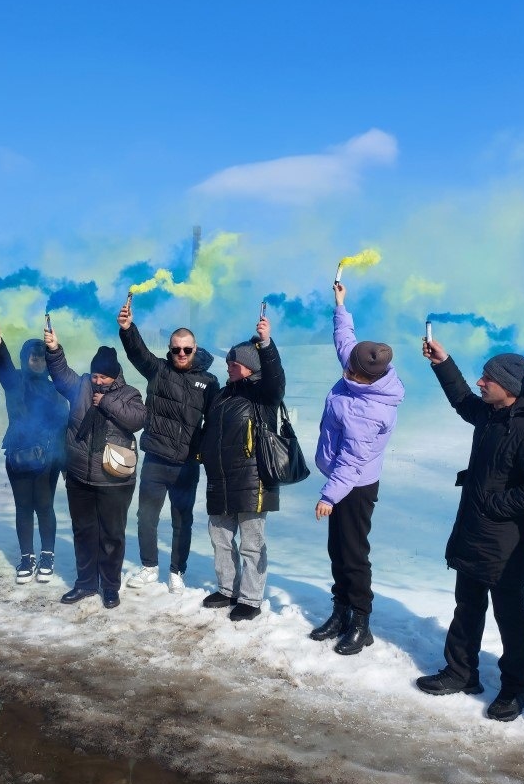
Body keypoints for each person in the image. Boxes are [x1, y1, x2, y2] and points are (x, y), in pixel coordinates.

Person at [415, 338, 524, 722]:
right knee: (467, 605)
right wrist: (443, 362)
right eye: (481, 376)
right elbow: (462, 399)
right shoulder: (491, 415)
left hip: (506, 540)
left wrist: (495, 505)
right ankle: (461, 673)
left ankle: (516, 688)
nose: (481, 383)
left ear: (509, 387)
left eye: (487, 379)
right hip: (473, 531)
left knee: (510, 614)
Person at [309, 280, 403, 654]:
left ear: (371, 378)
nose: (345, 374)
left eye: (353, 374)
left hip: (355, 485)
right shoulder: (359, 367)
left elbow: (352, 460)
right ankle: (340, 611)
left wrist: (329, 496)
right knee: (338, 550)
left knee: (353, 554)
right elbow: (344, 339)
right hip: (340, 477)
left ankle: (361, 623)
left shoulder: (372, 410)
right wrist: (340, 304)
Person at [117, 299, 219, 594]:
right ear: (170, 349)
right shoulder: (159, 371)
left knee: (181, 520)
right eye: (176, 349)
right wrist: (127, 329)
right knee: (146, 517)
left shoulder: (209, 382)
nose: (181, 354)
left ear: (195, 349)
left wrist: (202, 454)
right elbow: (137, 353)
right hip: (156, 461)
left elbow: (214, 423)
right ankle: (149, 567)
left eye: (187, 349)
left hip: (186, 465)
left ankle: (177, 572)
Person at [44, 327, 145, 609]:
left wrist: (107, 402)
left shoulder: (129, 394)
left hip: (115, 479)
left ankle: (110, 586)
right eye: (96, 375)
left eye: (104, 376)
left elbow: (137, 420)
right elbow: (60, 373)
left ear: (115, 376)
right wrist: (54, 349)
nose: (98, 381)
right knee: (84, 531)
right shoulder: (81, 386)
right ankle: (86, 582)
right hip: (79, 476)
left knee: (112, 535)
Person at [198, 316, 287, 622]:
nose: (228, 366)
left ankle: (250, 597)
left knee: (251, 542)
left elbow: (276, 378)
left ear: (250, 366)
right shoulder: (224, 395)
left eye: (234, 363)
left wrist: (265, 344)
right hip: (220, 480)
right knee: (220, 537)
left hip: (252, 480)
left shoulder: (262, 396)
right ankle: (227, 589)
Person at [0, 318, 69, 584]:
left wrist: (65, 461)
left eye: (42, 356)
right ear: (25, 359)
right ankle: (27, 557)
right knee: (23, 507)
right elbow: (3, 364)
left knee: (44, 506)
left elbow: (64, 424)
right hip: (18, 455)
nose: (37, 360)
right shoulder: (15, 382)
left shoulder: (56, 386)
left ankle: (47, 555)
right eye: (32, 356)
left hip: (49, 458)